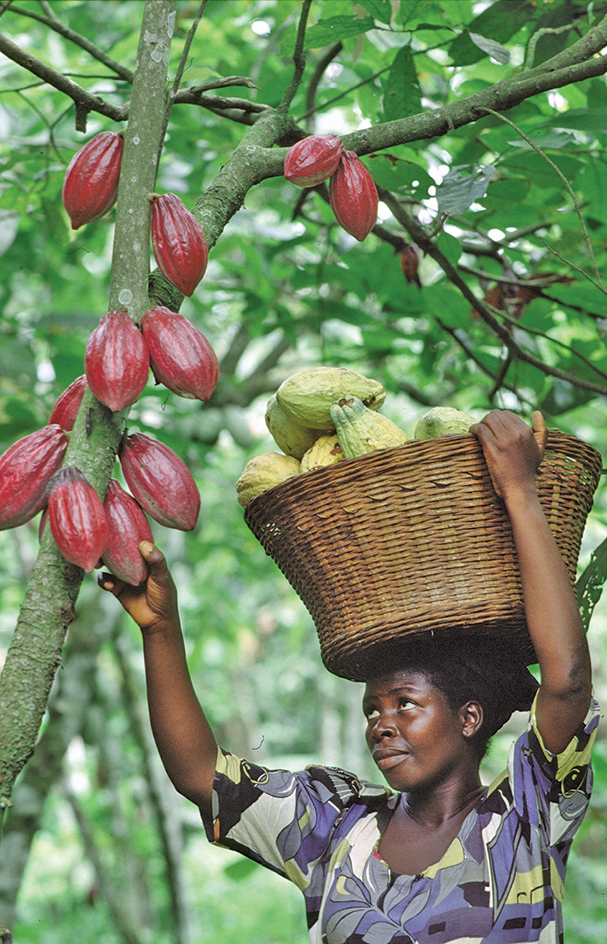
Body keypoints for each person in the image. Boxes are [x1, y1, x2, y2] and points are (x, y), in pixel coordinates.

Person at [100, 409, 599, 944]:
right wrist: (160, 630)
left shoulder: (526, 813)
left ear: (469, 717)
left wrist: (520, 489)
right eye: (372, 709)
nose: (381, 724)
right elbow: (202, 775)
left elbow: (566, 679)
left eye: (405, 704)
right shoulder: (334, 823)